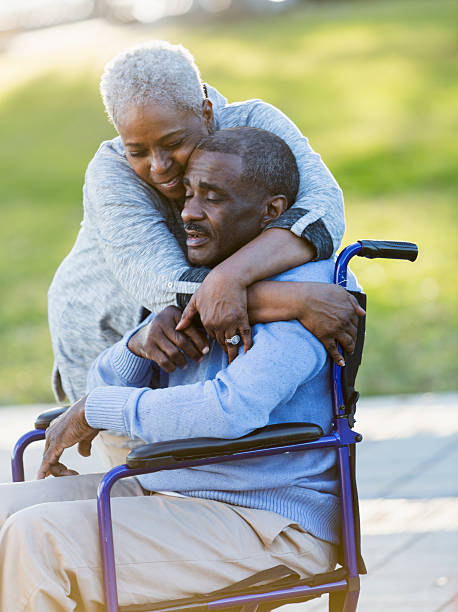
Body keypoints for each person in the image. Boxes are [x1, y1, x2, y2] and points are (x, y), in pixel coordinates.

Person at [0, 128, 360, 611]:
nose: (189, 211)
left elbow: (231, 411)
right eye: (189, 193)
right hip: (171, 491)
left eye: (212, 198)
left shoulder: (314, 291)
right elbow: (101, 388)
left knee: (38, 537)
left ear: (272, 213)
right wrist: (139, 345)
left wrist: (99, 409)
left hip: (270, 523)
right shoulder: (202, 279)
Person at [48, 39, 361, 412]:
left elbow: (322, 210)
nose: (160, 166)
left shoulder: (253, 122)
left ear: (207, 112)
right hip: (107, 330)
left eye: (174, 142)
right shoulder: (111, 172)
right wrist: (296, 300)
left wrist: (230, 277)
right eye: (138, 151)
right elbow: (162, 282)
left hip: (189, 333)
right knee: (140, 453)